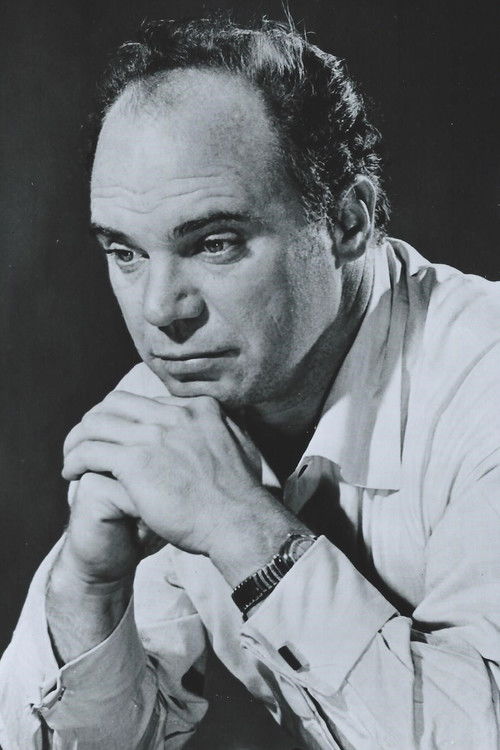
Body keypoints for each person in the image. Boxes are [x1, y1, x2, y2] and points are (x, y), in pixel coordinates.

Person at [1, 15, 499, 750]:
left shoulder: (486, 383)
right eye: (125, 252)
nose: (160, 311)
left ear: (348, 222)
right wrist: (88, 586)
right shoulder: (184, 410)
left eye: (215, 243)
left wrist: (244, 527)